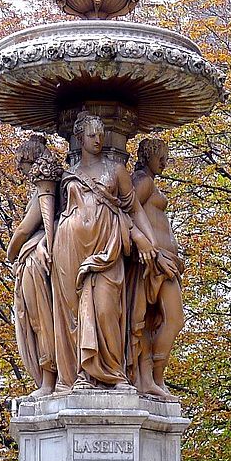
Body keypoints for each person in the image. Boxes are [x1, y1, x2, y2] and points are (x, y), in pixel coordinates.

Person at [53, 111, 152, 389]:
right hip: (70, 247)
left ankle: (112, 373)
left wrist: (147, 238)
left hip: (107, 246)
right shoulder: (69, 175)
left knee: (107, 309)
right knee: (74, 315)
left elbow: (133, 208)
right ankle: (80, 376)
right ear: (79, 137)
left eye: (101, 134)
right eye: (92, 134)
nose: (98, 139)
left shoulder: (116, 171)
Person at [4, 135, 61, 396]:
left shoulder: (45, 188)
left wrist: (10, 251)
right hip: (35, 257)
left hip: (36, 260)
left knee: (41, 320)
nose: (20, 171)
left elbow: (28, 226)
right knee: (38, 320)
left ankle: (48, 380)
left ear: (31, 159)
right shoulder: (46, 187)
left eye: (21, 164)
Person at [129, 137, 184, 399]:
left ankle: (152, 379)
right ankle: (153, 378)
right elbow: (128, 212)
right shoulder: (142, 180)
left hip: (165, 262)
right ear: (147, 156)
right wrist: (154, 251)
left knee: (159, 321)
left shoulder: (149, 181)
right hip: (153, 262)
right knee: (169, 319)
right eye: (159, 155)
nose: (164, 161)